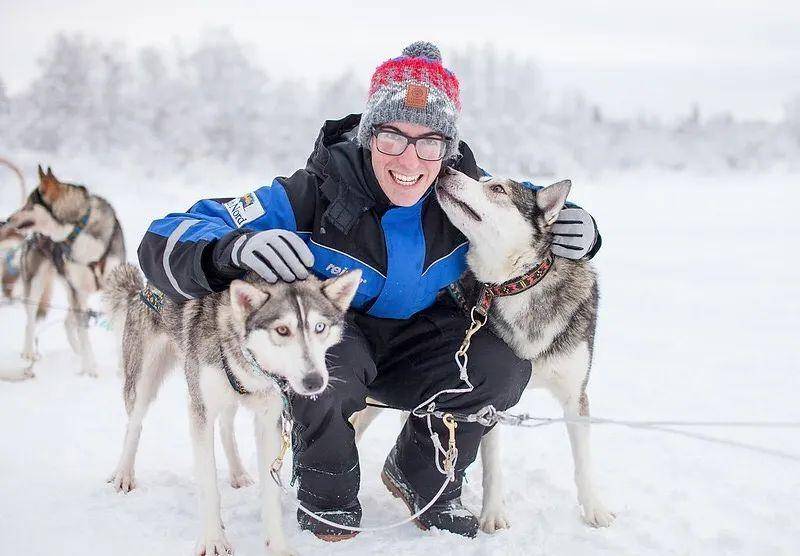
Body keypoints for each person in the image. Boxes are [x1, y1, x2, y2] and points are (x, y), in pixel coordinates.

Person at [137, 41, 601, 540]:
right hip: (340, 331)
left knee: (501, 366)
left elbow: (525, 206)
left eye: (429, 142)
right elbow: (165, 235)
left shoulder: (459, 188)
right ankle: (326, 493)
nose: (410, 158)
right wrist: (232, 250)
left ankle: (424, 475)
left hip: (424, 338)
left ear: (446, 148)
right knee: (322, 360)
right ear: (367, 136)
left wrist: (584, 230)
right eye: (392, 138)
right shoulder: (312, 191)